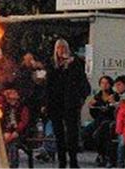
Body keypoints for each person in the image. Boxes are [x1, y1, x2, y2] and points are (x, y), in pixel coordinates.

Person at [45, 38, 90, 168]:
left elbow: (82, 82)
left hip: (71, 103)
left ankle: (73, 161)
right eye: (59, 48)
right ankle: (62, 162)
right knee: (59, 134)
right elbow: (49, 84)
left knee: (72, 134)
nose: (61, 50)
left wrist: (80, 98)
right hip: (56, 103)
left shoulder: (75, 63)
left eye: (64, 47)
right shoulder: (52, 64)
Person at [89, 75, 119, 167]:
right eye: (102, 83)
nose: (104, 85)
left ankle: (103, 156)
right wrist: (92, 107)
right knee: (85, 133)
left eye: (107, 83)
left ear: (110, 85)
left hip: (110, 121)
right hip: (98, 120)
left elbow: (117, 112)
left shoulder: (115, 96)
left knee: (100, 134)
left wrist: (113, 103)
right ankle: (101, 154)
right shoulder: (97, 96)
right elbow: (94, 114)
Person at [0, 86, 31, 168]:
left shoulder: (22, 107)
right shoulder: (4, 106)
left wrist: (16, 132)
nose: (11, 93)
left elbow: (24, 122)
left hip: (19, 133)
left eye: (13, 92)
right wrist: (3, 95)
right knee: (1, 142)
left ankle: (12, 166)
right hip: (5, 132)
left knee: (13, 145)